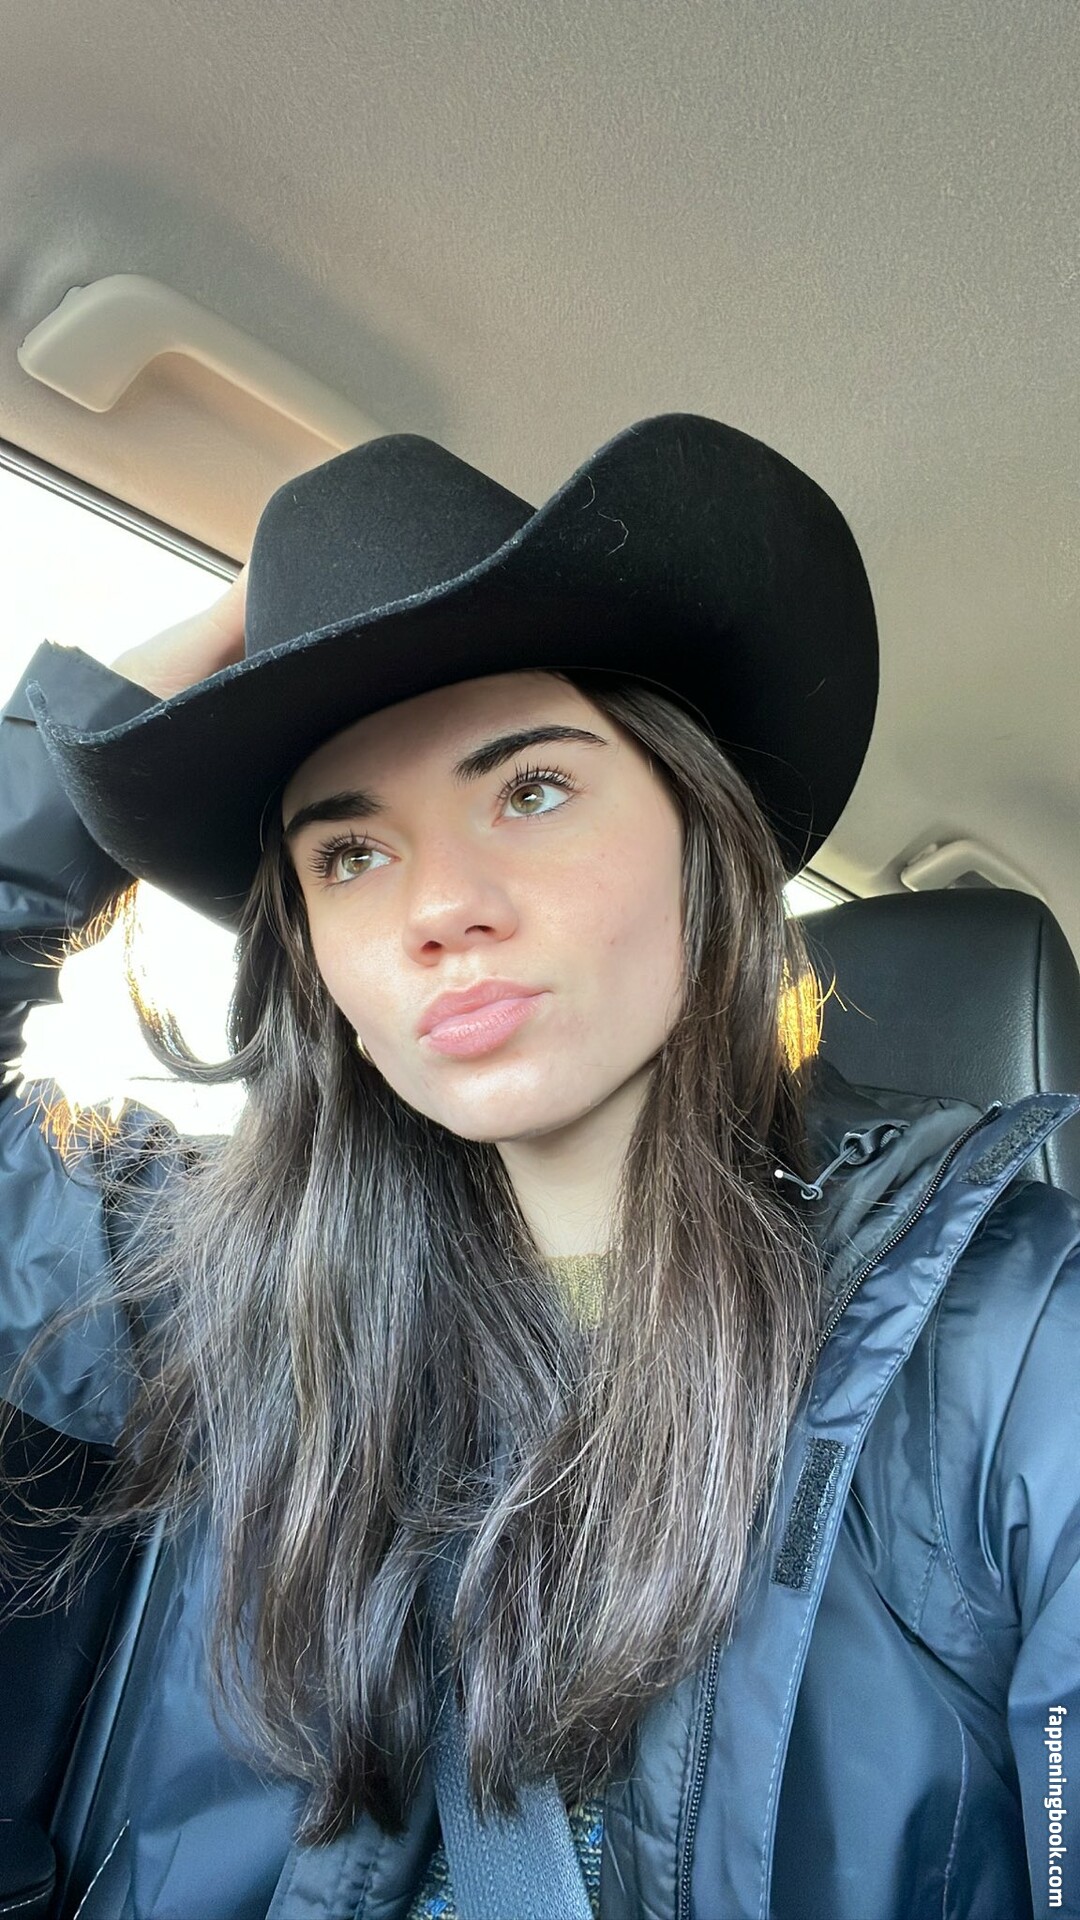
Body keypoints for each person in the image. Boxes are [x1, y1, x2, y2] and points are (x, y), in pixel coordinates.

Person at [0, 413, 1077, 1920]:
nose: (440, 906)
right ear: (314, 959)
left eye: (532, 789)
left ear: (703, 834)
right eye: (349, 853)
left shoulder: (1019, 1351)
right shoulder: (206, 1293)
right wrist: (120, 705)